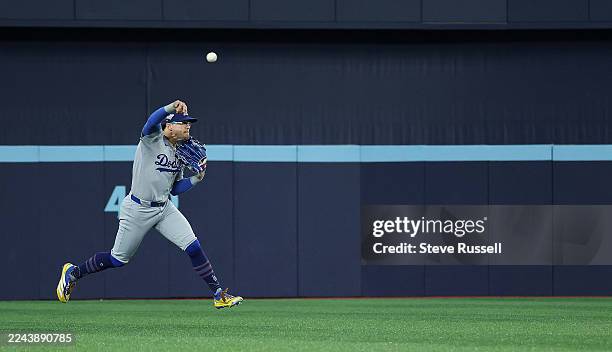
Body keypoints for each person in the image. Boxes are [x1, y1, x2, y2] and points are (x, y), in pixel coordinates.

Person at [56, 100, 243, 309]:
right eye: (183, 123)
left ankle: (218, 295)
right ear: (169, 126)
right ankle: (74, 272)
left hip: (164, 208)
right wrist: (171, 108)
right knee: (118, 259)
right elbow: (151, 121)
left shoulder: (180, 152)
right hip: (138, 208)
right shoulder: (151, 139)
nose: (188, 125)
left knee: (193, 246)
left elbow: (174, 189)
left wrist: (196, 179)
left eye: (189, 123)